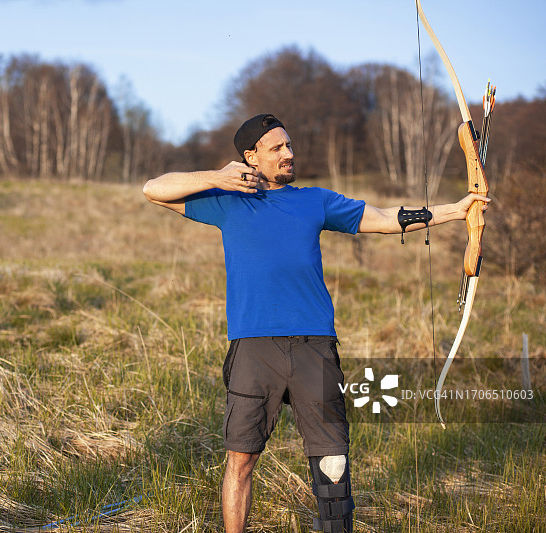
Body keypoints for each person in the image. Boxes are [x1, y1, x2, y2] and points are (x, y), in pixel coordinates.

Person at [142, 113, 489, 533]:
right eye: (277, 148)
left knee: (333, 462)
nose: (289, 153)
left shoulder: (314, 201)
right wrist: (217, 176)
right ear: (251, 156)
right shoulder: (227, 201)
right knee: (241, 458)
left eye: (289, 145)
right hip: (254, 347)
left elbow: (381, 218)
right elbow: (153, 190)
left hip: (314, 345)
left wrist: (454, 211)